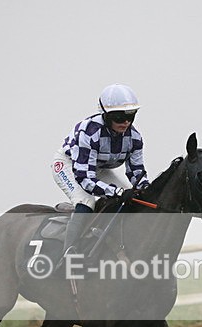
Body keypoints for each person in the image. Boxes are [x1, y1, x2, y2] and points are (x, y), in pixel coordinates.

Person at [51, 83, 150, 257]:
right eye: (119, 117)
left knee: (130, 198)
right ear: (106, 115)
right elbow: (84, 178)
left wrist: (146, 190)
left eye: (130, 116)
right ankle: (69, 252)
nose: (126, 122)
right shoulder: (90, 131)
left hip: (99, 168)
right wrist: (116, 191)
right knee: (86, 201)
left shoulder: (134, 138)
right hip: (69, 165)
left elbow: (136, 172)